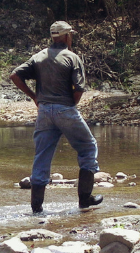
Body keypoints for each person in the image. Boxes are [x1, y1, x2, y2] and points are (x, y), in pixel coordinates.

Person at [10, 20, 103, 214]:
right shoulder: (72, 57)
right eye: (71, 35)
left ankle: (36, 208)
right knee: (88, 147)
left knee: (42, 155)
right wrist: (70, 106)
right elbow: (79, 88)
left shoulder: (38, 56)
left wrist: (34, 97)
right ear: (67, 36)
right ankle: (85, 200)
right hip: (65, 109)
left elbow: (15, 76)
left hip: (44, 112)